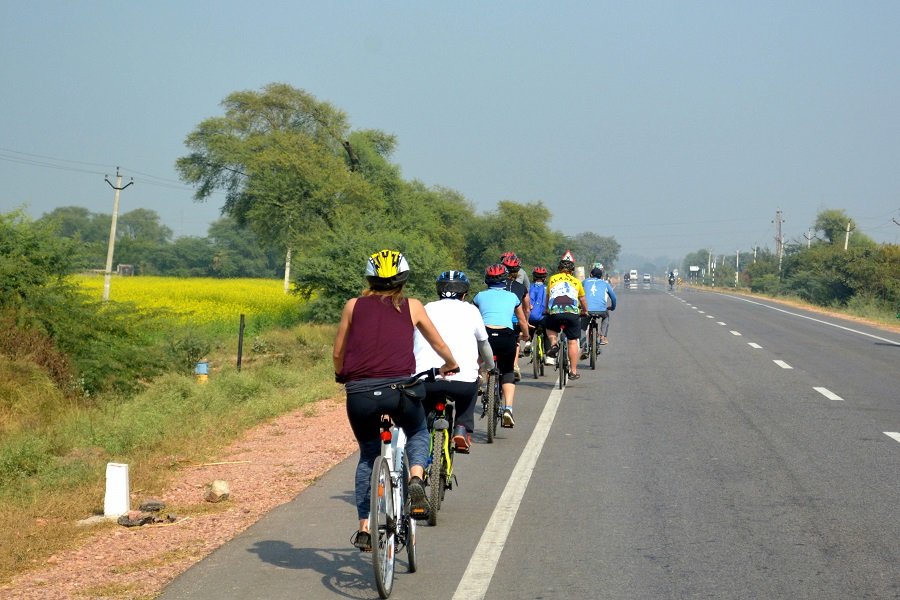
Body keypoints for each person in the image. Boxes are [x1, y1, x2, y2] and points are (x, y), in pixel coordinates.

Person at [333, 249, 459, 552]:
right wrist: (450, 363)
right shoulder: (413, 306)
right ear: (403, 278)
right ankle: (416, 478)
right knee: (417, 431)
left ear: (370, 278)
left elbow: (338, 352)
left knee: (367, 456)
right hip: (399, 390)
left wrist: (342, 375)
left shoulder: (353, 305)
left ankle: (364, 527)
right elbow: (438, 343)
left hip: (360, 394)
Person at [413, 270, 495, 453]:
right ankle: (462, 428)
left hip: (427, 379)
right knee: (472, 386)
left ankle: (422, 434)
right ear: (464, 293)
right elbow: (484, 345)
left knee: (422, 411)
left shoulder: (425, 308)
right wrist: (490, 367)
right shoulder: (471, 311)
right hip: (462, 382)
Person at [473, 264, 530, 427]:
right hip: (506, 337)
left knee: (476, 361)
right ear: (504, 280)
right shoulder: (512, 297)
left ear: (487, 280)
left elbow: (472, 317)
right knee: (507, 372)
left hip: (486, 336)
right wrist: (525, 335)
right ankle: (508, 409)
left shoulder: (479, 296)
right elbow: (521, 320)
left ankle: (478, 379)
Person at [545, 250, 588, 380]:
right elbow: (583, 300)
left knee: (550, 328)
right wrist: (585, 311)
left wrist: (547, 310)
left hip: (555, 312)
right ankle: (573, 371)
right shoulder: (576, 282)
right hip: (572, 313)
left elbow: (548, 298)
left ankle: (553, 344)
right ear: (572, 270)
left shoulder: (552, 279)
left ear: (559, 269)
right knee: (572, 342)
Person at [500, 252, 530, 382]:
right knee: (515, 341)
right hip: (514, 321)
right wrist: (526, 325)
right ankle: (515, 365)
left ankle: (482, 371)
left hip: (494, 321)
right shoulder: (521, 287)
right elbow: (527, 308)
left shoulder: (495, 285)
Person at [580, 264, 617, 356]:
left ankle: (584, 346)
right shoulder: (605, 283)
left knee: (582, 327)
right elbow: (613, 297)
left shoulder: (585, 282)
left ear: (591, 275)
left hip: (587, 310)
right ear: (601, 276)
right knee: (606, 317)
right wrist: (612, 307)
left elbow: (578, 294)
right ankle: (602, 337)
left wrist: (579, 307)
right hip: (601, 310)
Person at [525, 265, 549, 355]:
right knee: (547, 333)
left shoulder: (528, 288)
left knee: (529, 326)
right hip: (543, 317)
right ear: (544, 277)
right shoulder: (548, 288)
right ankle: (549, 354)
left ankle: (528, 341)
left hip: (530, 316)